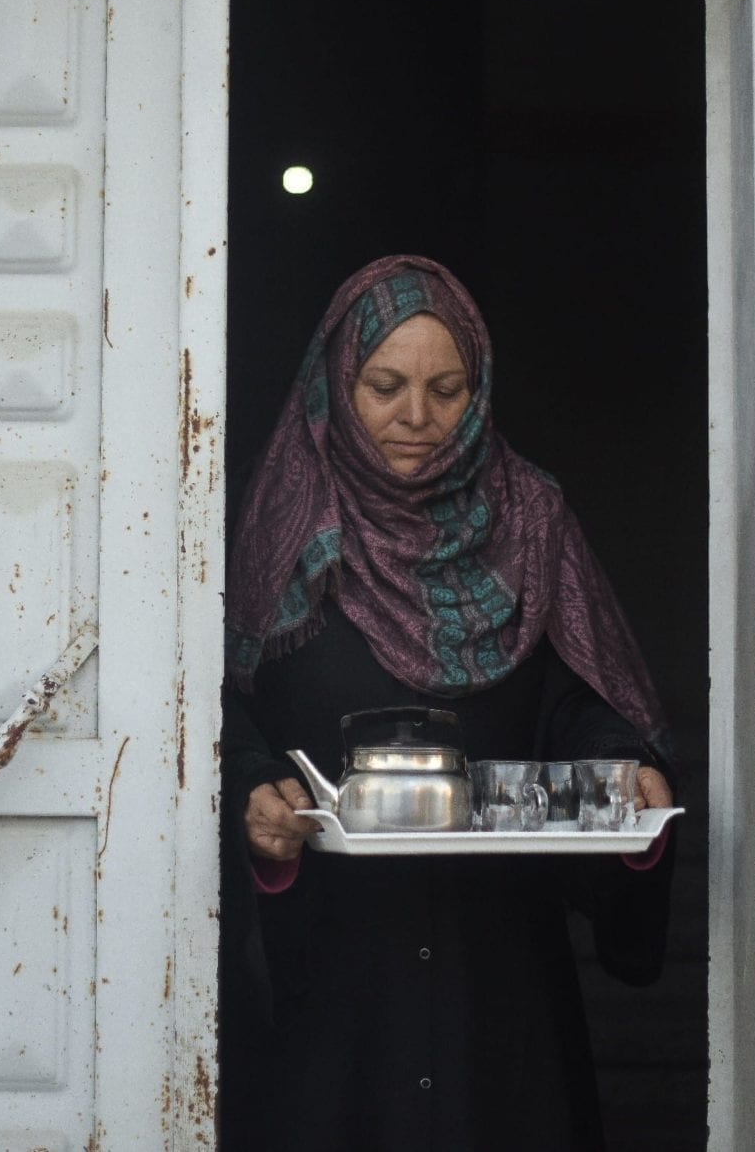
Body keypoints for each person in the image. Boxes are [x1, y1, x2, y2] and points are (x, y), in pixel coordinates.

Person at [220, 254, 680, 1151]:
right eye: (385, 385)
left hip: (498, 979)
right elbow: (216, 714)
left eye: (447, 388)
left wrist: (628, 769)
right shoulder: (279, 528)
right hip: (335, 986)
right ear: (334, 386)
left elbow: (579, 701)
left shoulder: (532, 520)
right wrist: (255, 792)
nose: (417, 419)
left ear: (481, 388)